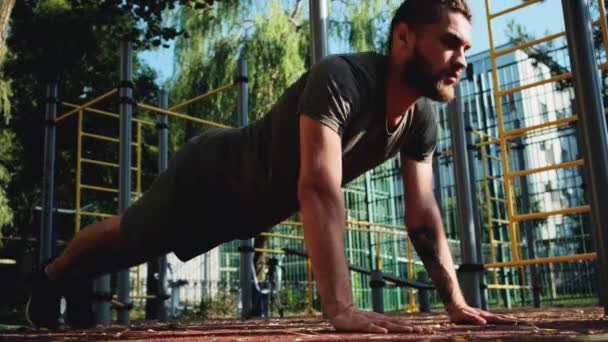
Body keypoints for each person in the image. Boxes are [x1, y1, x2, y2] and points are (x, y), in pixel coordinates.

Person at [26, 0, 515, 333]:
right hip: (212, 177)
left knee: (134, 248)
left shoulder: (421, 119)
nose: (461, 60)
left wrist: (454, 300)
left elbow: (423, 216)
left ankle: (67, 279)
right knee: (128, 238)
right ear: (404, 38)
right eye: (450, 43)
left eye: (467, 48)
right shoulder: (341, 79)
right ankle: (52, 276)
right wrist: (340, 308)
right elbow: (319, 188)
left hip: (251, 211)